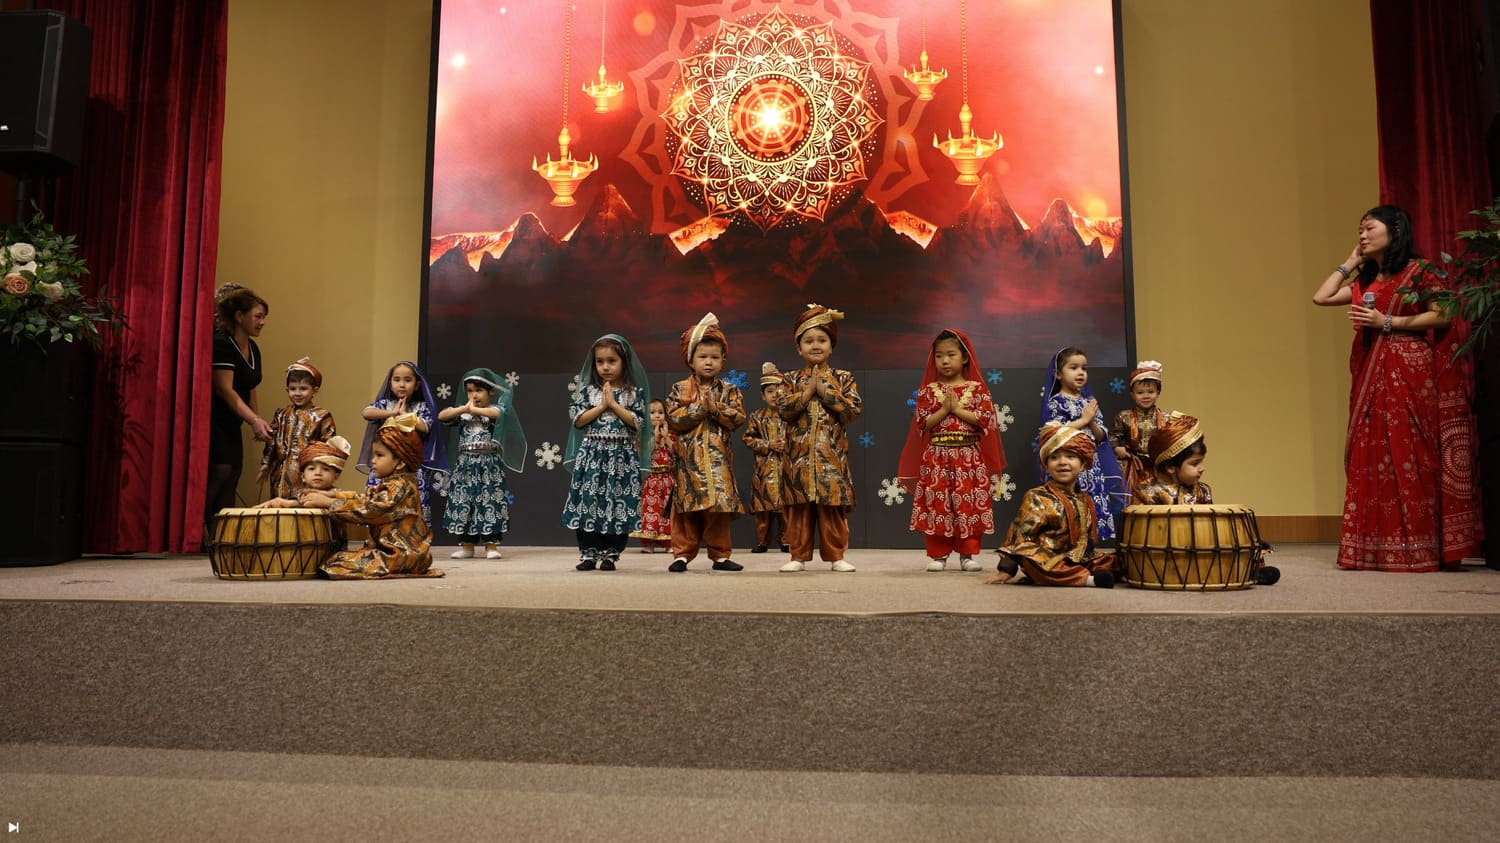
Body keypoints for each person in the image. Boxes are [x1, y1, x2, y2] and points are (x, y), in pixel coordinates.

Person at [1312, 204, 1482, 571]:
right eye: (1359, 230)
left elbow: (1443, 314)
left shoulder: (1420, 272)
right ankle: (1375, 548)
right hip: (1370, 373)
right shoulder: (1365, 281)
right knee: (1373, 453)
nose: (1362, 235)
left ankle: (1420, 547)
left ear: (1396, 231)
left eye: (1369, 229)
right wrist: (1350, 262)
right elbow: (1321, 297)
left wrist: (1387, 321)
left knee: (1412, 453)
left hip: (1409, 371)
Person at [897, 328, 1006, 572]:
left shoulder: (977, 389)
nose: (944, 361)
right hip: (937, 457)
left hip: (968, 458)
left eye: (951, 355)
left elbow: (984, 419)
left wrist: (956, 409)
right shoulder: (928, 391)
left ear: (965, 357)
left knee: (968, 504)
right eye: (939, 356)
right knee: (938, 504)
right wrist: (944, 410)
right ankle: (939, 555)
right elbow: (922, 423)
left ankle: (967, 555)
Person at [1131, 413, 1281, 585]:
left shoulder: (1202, 490)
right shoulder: (1147, 492)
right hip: (1162, 552)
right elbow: (1139, 535)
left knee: (1242, 543)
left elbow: (1211, 527)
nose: (1202, 468)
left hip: (1202, 548)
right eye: (1195, 464)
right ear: (1171, 467)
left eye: (1201, 462)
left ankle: (1253, 571)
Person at [776, 304, 862, 572]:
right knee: (799, 510)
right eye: (808, 341)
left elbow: (852, 411)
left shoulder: (843, 378)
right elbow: (783, 410)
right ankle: (797, 557)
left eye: (822, 340)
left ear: (831, 346)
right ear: (798, 348)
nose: (815, 345)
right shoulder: (789, 379)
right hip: (798, 460)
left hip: (831, 459)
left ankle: (836, 556)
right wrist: (806, 393)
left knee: (831, 508)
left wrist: (824, 392)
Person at [302, 414, 439, 579]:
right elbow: (367, 498)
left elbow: (369, 509)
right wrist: (334, 494)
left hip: (401, 555)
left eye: (379, 455)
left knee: (334, 563)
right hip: (402, 553)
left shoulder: (399, 486)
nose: (373, 460)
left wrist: (329, 502)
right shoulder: (397, 482)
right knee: (339, 559)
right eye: (374, 455)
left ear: (401, 462)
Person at [984, 422, 1117, 588]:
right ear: (1046, 466)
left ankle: (1090, 571)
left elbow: (1086, 540)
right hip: (1049, 558)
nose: (1062, 462)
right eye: (1054, 457)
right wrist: (1007, 569)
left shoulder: (1085, 499)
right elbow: (1019, 537)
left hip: (1077, 558)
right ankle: (1088, 580)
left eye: (1070, 457)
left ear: (1083, 464)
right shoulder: (1038, 496)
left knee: (1116, 559)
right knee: (1029, 555)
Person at [561, 334, 651, 572]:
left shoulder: (635, 393)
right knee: (589, 501)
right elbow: (578, 420)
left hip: (621, 457)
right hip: (592, 455)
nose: (605, 367)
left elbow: (638, 422)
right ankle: (589, 553)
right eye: (600, 362)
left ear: (624, 362)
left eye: (612, 361)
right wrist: (602, 405)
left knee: (618, 502)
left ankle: (611, 553)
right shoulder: (588, 391)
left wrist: (614, 405)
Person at [665, 313, 746, 573]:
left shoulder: (730, 390)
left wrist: (716, 409)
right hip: (689, 463)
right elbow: (673, 418)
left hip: (718, 462)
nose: (708, 362)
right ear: (691, 360)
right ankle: (681, 555)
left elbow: (738, 418)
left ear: (723, 360)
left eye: (714, 357)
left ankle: (720, 555)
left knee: (717, 509)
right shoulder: (680, 389)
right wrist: (700, 408)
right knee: (687, 510)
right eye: (702, 357)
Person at [1041, 346, 1127, 542]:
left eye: (1084, 368)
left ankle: (1089, 548)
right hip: (1069, 466)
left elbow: (1101, 436)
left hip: (1091, 465)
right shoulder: (1056, 402)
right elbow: (1055, 432)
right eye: (1073, 368)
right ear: (1058, 374)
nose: (1080, 373)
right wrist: (1084, 420)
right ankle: (1070, 545)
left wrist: (1092, 421)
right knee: (1072, 504)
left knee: (1092, 502)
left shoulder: (1089, 402)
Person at [438, 368, 524, 560]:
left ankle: (491, 546)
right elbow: (442, 416)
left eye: (479, 390)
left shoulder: (494, 410)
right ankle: (467, 546)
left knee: (489, 501)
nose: (473, 395)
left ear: (491, 391)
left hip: (488, 465)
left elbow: (497, 414)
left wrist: (473, 410)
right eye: (470, 391)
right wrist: (463, 409)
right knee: (464, 502)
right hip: (465, 466)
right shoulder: (464, 414)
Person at [207, 286, 273, 534]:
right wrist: (253, 420)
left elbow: (249, 385)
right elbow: (224, 389)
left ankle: (221, 534)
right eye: (257, 316)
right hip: (215, 419)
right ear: (239, 316)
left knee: (233, 472)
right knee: (220, 471)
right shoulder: (222, 343)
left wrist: (256, 420)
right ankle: (197, 529)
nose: (262, 322)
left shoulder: (253, 348)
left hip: (234, 421)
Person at [358, 361, 448, 523]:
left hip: (410, 466)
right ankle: (378, 532)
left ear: (417, 385)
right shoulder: (385, 404)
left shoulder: (422, 406)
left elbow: (425, 427)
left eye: (407, 380)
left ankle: (413, 532)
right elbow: (366, 413)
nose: (401, 384)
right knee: (379, 500)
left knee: (412, 502)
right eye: (397, 379)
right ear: (390, 383)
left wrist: (405, 415)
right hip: (385, 464)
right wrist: (392, 413)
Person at [258, 358, 337, 500]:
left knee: (303, 502)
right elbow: (271, 440)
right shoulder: (281, 414)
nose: (297, 393)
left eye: (303, 389)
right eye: (293, 389)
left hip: (306, 472)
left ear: (314, 390)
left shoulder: (321, 416)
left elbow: (328, 447)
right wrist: (266, 463)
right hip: (279, 471)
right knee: (278, 502)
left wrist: (322, 471)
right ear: (287, 389)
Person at [743, 363, 790, 554]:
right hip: (764, 470)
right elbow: (748, 438)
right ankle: (762, 541)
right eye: (770, 391)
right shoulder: (757, 417)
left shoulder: (791, 417)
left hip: (787, 468)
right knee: (763, 509)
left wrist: (787, 445)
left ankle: (786, 541)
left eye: (780, 390)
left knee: (787, 507)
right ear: (763, 395)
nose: (775, 395)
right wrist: (768, 445)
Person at [1110, 360, 1169, 496]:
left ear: (1158, 392)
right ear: (1132, 394)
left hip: (1158, 467)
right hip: (1133, 467)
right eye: (1140, 392)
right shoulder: (1123, 417)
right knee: (1133, 497)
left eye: (1150, 391)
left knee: (1160, 497)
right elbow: (1113, 437)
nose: (1146, 396)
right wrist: (1118, 448)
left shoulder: (1167, 418)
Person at [256, 435, 352, 508]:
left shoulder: (341, 496)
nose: (318, 473)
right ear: (302, 477)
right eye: (312, 469)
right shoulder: (300, 494)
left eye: (326, 469)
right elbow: (301, 502)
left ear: (336, 477)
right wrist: (281, 502)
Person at [630, 399, 675, 553]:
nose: (657, 416)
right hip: (651, 480)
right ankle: (648, 543)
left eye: (661, 412)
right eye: (652, 413)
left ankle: (669, 542)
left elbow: (675, 452)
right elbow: (644, 453)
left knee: (668, 511)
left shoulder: (671, 434)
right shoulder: (642, 436)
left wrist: (666, 437)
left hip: (668, 479)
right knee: (651, 510)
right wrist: (654, 435)